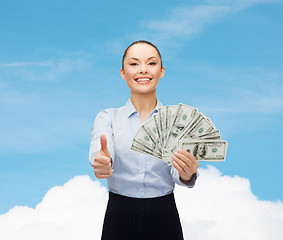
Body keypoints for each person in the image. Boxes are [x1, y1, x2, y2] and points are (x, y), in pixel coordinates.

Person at [89, 40, 200, 240]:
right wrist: (102, 163)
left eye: (151, 63)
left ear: (161, 70)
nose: (143, 70)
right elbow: (102, 152)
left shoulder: (176, 121)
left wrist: (187, 173)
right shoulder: (108, 118)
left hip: (164, 216)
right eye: (134, 64)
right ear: (123, 73)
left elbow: (178, 172)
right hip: (119, 216)